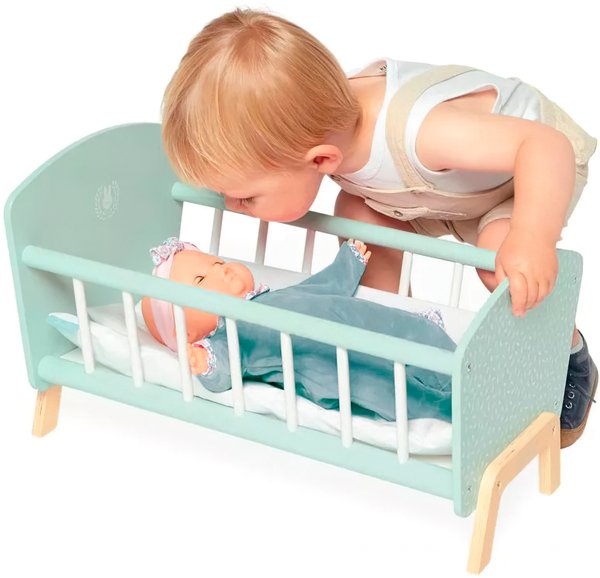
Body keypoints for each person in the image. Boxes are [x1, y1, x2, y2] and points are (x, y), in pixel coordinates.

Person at [160, 9, 597, 447]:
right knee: (357, 220)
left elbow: (545, 146)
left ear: (322, 159)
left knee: (498, 262)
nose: (233, 208)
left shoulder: (422, 132)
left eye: (246, 197)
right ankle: (398, 345)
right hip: (435, 190)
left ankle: (569, 353)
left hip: (525, 176)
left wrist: (532, 235)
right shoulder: (315, 122)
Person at [141, 237, 456, 422]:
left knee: (403, 326)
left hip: (359, 321)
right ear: (189, 334)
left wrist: (348, 263)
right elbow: (225, 369)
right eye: (200, 279)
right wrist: (206, 363)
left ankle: (451, 362)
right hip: (334, 365)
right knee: (383, 386)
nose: (220, 271)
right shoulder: (230, 334)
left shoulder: (276, 296)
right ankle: (448, 408)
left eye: (217, 263)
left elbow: (321, 287)